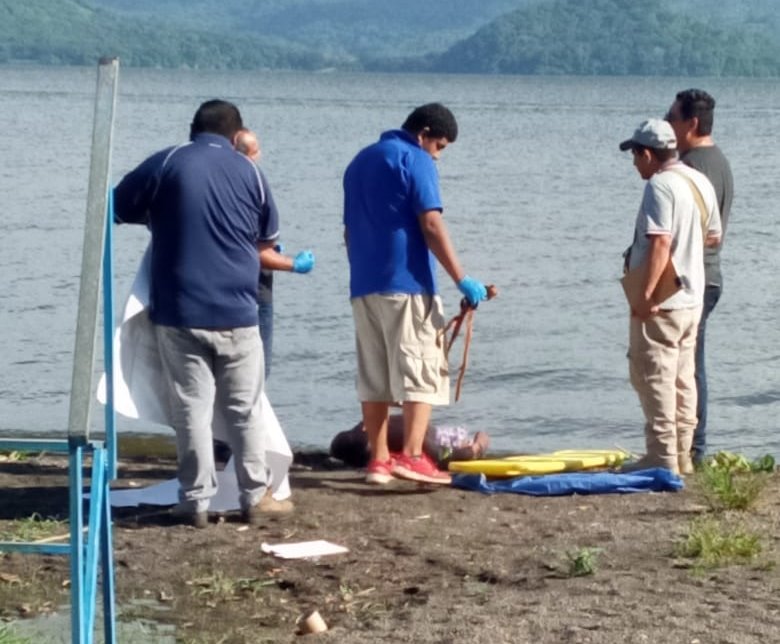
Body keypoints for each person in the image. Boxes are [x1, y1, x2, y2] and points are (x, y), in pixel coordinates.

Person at [113, 99, 292, 527]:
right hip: (239, 309)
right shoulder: (251, 171)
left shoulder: (168, 162)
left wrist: (161, 215)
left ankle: (194, 500)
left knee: (191, 408)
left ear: (192, 129)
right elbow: (266, 238)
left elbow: (117, 207)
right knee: (244, 407)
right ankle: (256, 497)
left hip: (181, 311)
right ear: (236, 136)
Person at [343, 102, 492, 485]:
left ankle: (378, 460)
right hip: (407, 282)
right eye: (439, 146)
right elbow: (430, 222)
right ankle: (411, 455)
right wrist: (462, 278)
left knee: (375, 375)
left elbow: (348, 232)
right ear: (423, 133)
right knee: (421, 371)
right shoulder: (416, 159)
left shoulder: (359, 162)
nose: (438, 156)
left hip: (363, 285)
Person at [619, 119, 721, 475]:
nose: (634, 163)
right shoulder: (699, 181)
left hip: (664, 302)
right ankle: (681, 455)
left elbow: (660, 241)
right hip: (693, 297)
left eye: (635, 155)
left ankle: (660, 457)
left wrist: (646, 295)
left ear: (648, 153)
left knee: (652, 376)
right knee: (682, 378)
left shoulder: (660, 186)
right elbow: (713, 237)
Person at [665, 89, 734, 465]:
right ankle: (693, 444)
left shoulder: (692, 167)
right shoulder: (719, 161)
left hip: (694, 277)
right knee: (693, 361)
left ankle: (694, 446)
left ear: (691, 123)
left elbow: (684, 232)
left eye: (672, 117)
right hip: (710, 274)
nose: (668, 124)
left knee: (687, 365)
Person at [234, 127, 315, 378]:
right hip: (255, 295)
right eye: (256, 150)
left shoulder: (225, 189)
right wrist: (294, 264)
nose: (260, 155)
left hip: (230, 293)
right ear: (246, 154)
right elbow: (259, 252)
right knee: (256, 374)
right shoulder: (254, 186)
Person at [330, 415, 489, 469]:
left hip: (430, 433)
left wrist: (472, 450)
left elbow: (437, 453)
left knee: (475, 439)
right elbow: (437, 453)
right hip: (431, 435)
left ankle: (472, 445)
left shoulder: (369, 429)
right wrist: (472, 450)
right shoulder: (365, 426)